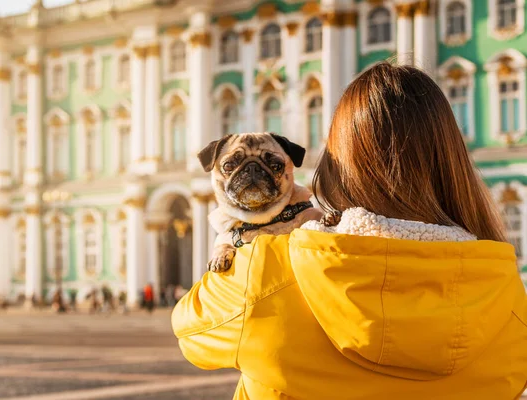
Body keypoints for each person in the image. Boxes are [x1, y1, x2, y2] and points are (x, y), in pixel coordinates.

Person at [172, 63, 527, 400]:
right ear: (453, 164)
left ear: (338, 167)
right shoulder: (510, 300)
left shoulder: (263, 271)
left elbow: (190, 334)